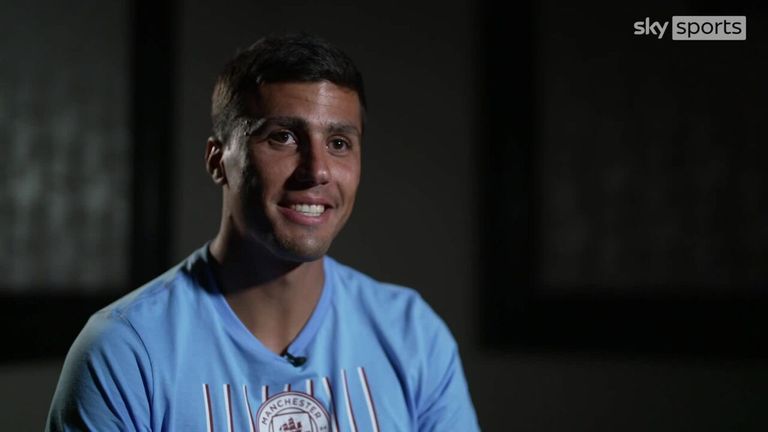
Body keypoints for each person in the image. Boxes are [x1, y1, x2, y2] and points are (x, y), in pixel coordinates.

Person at [46, 33, 479, 431]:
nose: (317, 170)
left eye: (339, 143)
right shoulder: (126, 351)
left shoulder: (412, 336)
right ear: (218, 160)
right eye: (283, 137)